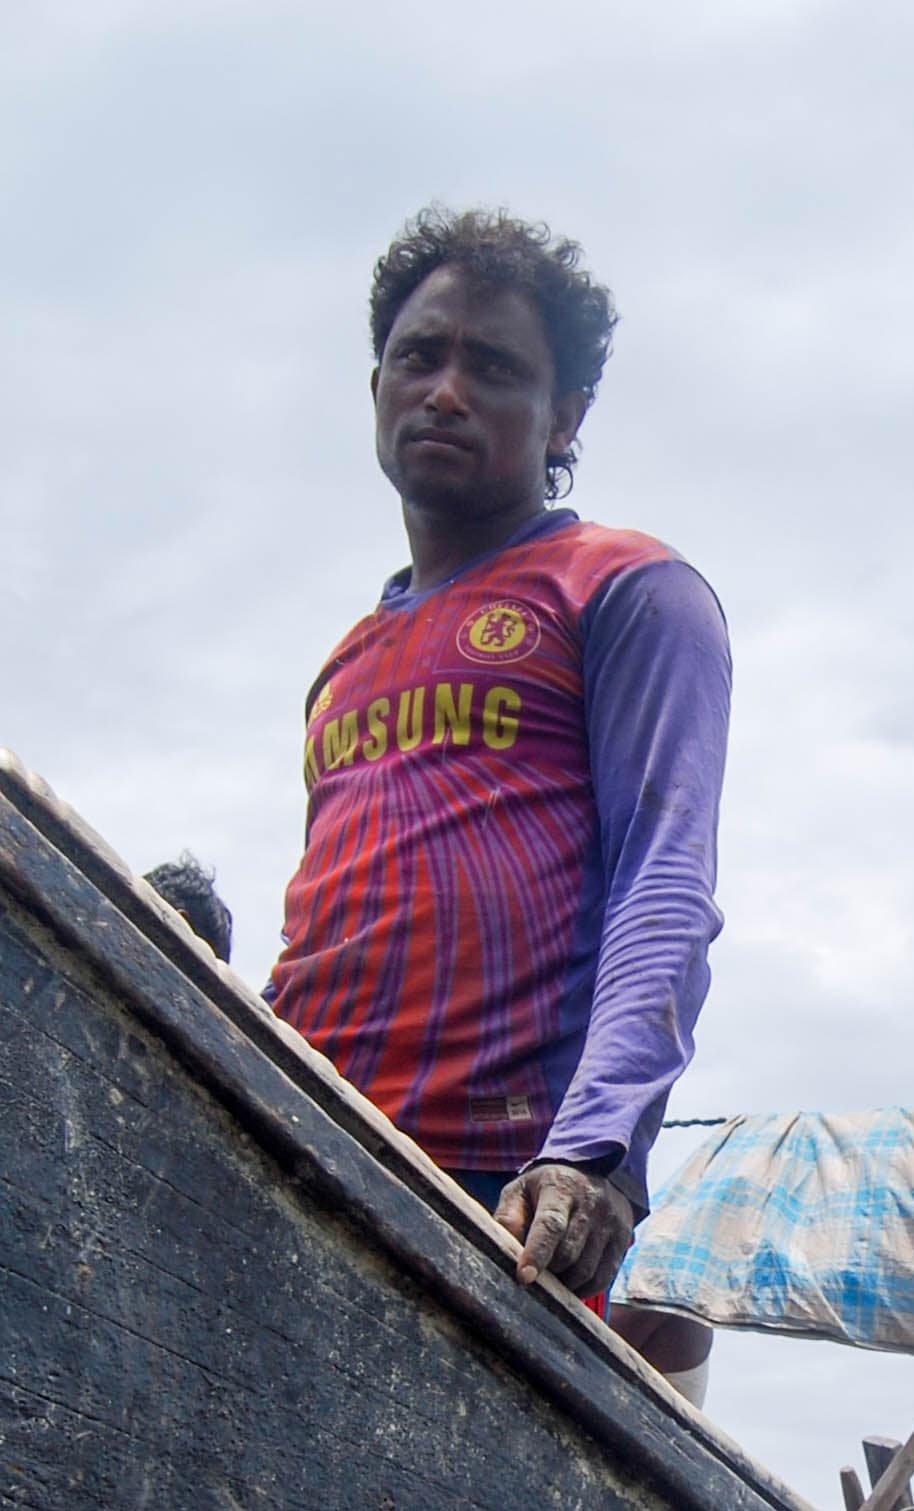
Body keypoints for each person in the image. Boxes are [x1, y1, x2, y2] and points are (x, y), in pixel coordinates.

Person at [265, 208, 727, 1309]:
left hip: (502, 1197)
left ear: (565, 418)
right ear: (375, 381)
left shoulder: (624, 588)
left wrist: (593, 1151)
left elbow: (666, 876)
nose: (445, 390)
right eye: (419, 357)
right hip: (291, 1134)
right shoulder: (344, 663)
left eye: (494, 368)